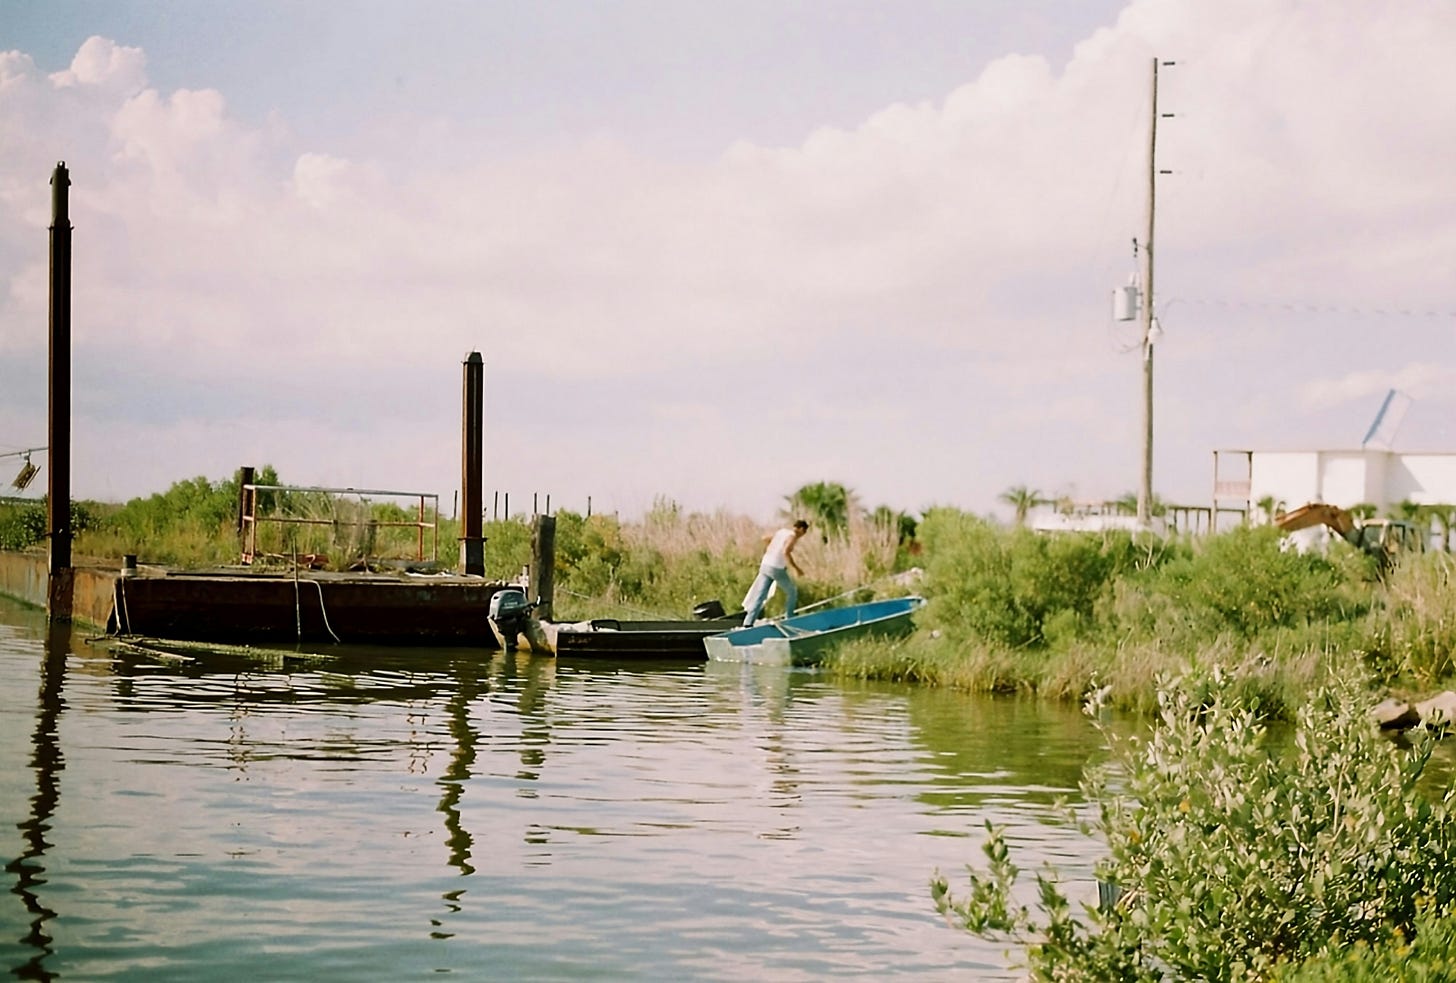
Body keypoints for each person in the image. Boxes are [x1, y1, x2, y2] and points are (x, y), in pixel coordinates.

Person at [741, 519, 808, 627]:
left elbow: (765, 538)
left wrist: (772, 549)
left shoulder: (782, 532)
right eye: (803, 533)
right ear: (801, 529)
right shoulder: (793, 536)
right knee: (792, 591)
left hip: (765, 564)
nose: (802, 536)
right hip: (776, 567)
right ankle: (790, 617)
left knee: (760, 595)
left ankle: (748, 622)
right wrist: (796, 569)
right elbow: (786, 551)